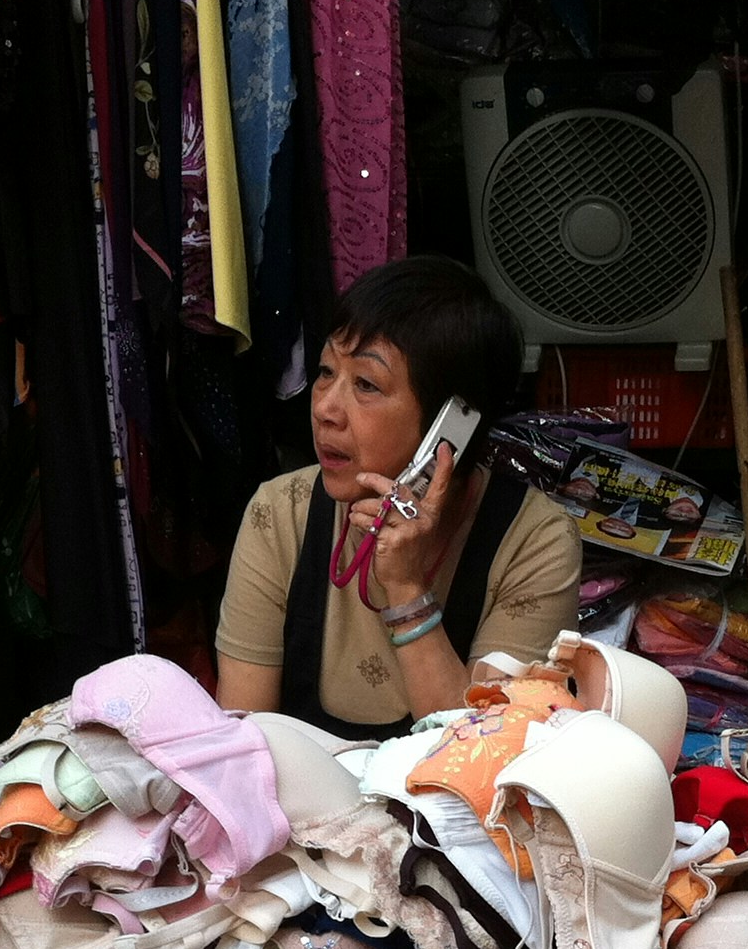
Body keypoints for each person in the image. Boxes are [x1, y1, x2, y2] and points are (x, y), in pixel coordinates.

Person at [214, 257, 582, 738]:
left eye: (366, 384)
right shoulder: (280, 511)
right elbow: (240, 739)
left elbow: (486, 753)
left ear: (452, 424)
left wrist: (407, 589)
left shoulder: (536, 540)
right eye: (325, 372)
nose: (325, 408)